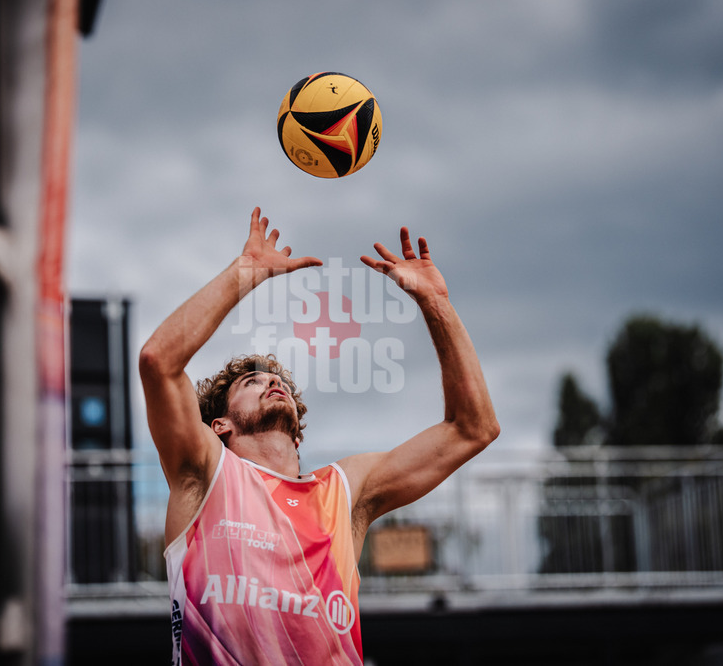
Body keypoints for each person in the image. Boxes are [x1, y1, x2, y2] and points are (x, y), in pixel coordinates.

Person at [139, 207, 499, 665]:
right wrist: (245, 273)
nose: (273, 381)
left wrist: (436, 303)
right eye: (251, 382)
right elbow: (158, 362)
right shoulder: (204, 474)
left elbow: (473, 428)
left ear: (297, 427)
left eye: (278, 382)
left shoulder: (343, 491)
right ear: (219, 425)